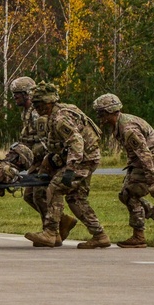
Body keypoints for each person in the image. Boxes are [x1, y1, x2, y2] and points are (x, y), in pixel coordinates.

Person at [25, 82, 110, 249]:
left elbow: (76, 142)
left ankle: (50, 233)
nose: (36, 108)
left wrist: (70, 169)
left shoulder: (59, 119)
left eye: (39, 104)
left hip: (82, 159)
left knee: (55, 188)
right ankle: (99, 235)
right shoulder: (57, 114)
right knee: (76, 199)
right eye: (35, 104)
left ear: (48, 103)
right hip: (86, 157)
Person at [93, 93, 154, 247]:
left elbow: (145, 154)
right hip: (140, 163)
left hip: (150, 162)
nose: (99, 116)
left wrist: (151, 182)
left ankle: (139, 236)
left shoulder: (127, 128)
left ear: (111, 111)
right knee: (125, 195)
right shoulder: (121, 124)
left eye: (101, 112)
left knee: (130, 195)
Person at [9, 76, 74, 241]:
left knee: (38, 194)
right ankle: (58, 225)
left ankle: (53, 230)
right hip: (37, 159)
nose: (14, 98)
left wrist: (32, 157)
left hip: (45, 159)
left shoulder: (37, 115)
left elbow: (46, 142)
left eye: (17, 94)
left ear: (27, 94)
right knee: (29, 195)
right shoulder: (27, 112)